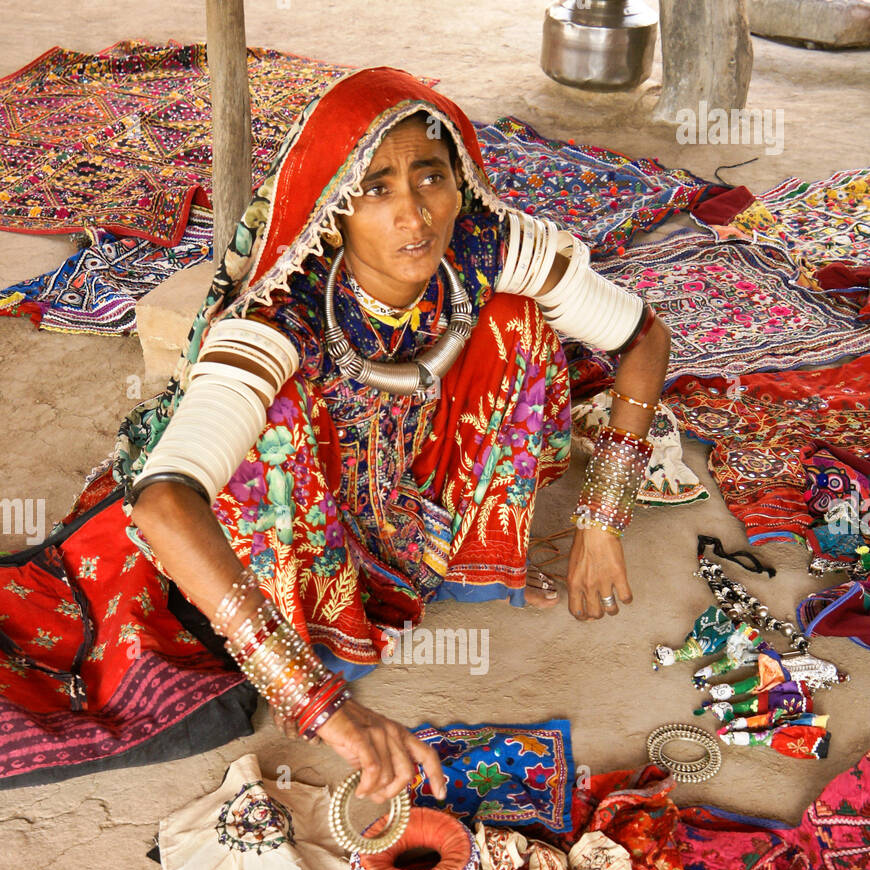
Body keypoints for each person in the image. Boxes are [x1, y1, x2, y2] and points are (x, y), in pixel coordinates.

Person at [122, 67, 671, 809]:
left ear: (460, 181)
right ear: (335, 209)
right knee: (273, 424)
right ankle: (314, 633)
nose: (415, 217)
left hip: (405, 480)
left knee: (517, 325)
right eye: (376, 188)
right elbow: (163, 503)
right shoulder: (280, 316)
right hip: (306, 504)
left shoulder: (487, 244)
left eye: (430, 178)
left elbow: (643, 337)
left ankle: (474, 557)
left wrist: (601, 520)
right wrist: (325, 711)